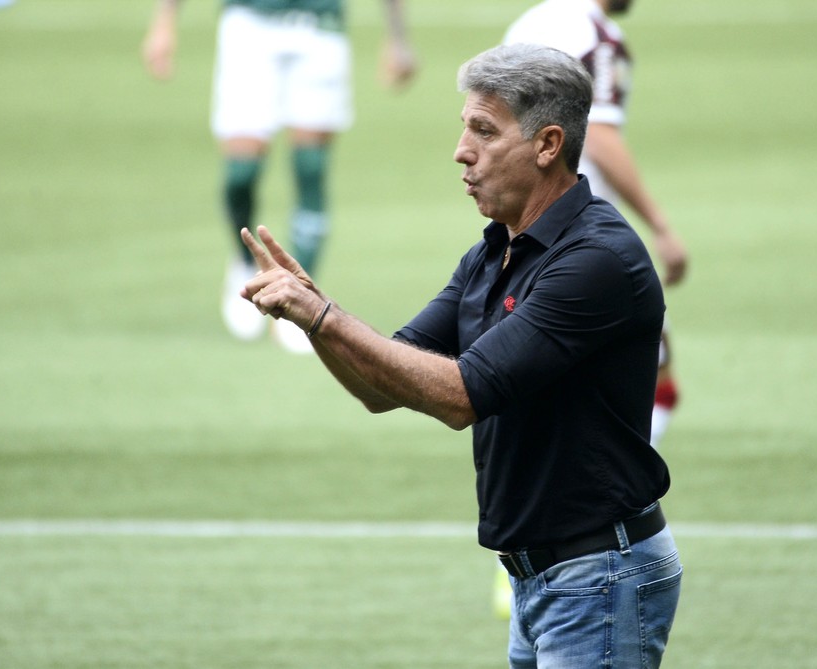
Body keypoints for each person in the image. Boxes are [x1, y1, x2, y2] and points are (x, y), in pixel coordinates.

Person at [239, 43, 681, 668]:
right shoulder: (493, 254)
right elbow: (379, 385)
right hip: (544, 578)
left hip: (599, 577)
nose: (461, 150)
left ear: (547, 144)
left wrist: (322, 316)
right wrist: (315, 317)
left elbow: (461, 395)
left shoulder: (596, 261)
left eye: (483, 130)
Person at [142, 0, 416, 353]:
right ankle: (244, 262)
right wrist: (164, 22)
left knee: (311, 169)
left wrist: (397, 36)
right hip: (249, 24)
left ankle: (301, 296)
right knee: (241, 173)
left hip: (320, 25)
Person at [504, 0, 688, 449]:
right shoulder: (594, 35)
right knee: (638, 359)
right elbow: (601, 137)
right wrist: (661, 225)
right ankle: (617, 474)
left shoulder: (533, 21)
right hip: (578, 230)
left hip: (525, 222)